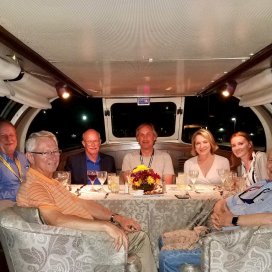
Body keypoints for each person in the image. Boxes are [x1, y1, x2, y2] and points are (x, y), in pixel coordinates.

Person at [16, 130, 157, 272]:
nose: (53, 157)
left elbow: (82, 203)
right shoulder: (35, 185)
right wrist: (105, 226)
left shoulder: (50, 181)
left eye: (55, 151)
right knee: (140, 238)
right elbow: (56, 220)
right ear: (30, 157)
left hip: (85, 235)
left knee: (131, 228)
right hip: (78, 243)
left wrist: (117, 218)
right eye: (46, 153)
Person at [159, 149, 272, 272]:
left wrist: (232, 220)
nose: (271, 166)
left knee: (167, 257)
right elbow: (223, 201)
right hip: (213, 233)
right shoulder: (260, 184)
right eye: (270, 161)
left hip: (233, 245)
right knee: (163, 239)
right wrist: (218, 214)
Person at [0, 119, 28, 205]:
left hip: (29, 200)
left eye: (11, 135)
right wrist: (19, 191)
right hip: (8, 208)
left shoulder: (23, 157)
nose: (9, 139)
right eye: (3, 135)